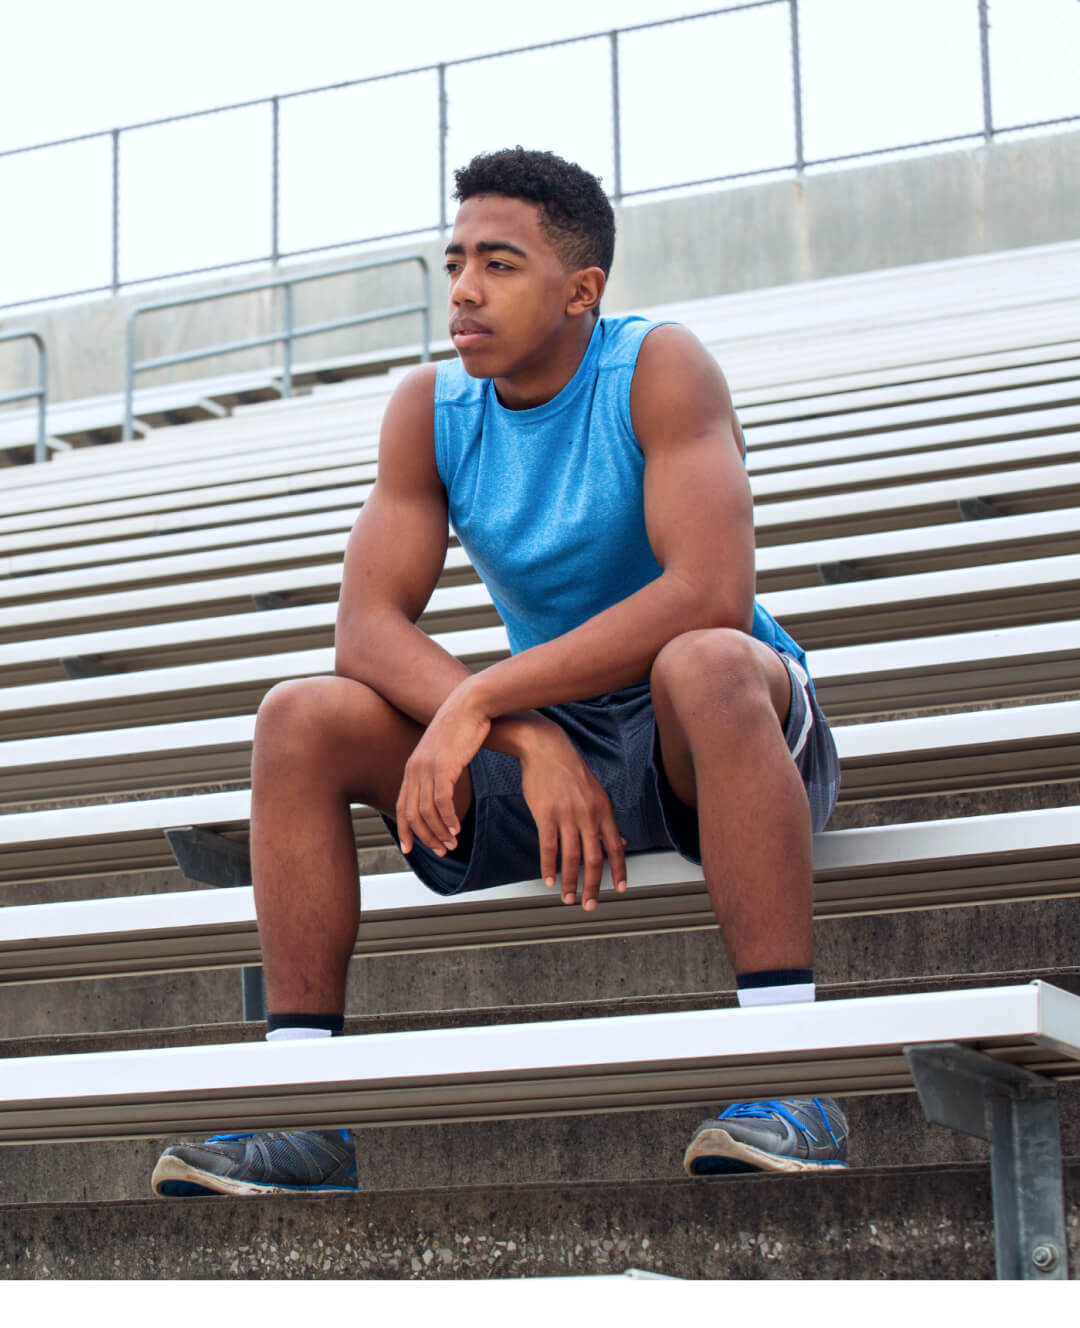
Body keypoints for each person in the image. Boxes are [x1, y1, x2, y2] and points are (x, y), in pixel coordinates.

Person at [151, 147, 847, 1199]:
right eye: (454, 261)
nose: (465, 289)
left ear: (582, 290)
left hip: (707, 728)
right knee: (301, 715)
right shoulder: (429, 408)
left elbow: (707, 591)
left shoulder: (659, 366)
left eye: (500, 264)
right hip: (552, 730)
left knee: (705, 661)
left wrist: (483, 697)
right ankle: (303, 1107)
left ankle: (795, 1080)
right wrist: (524, 731)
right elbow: (366, 629)